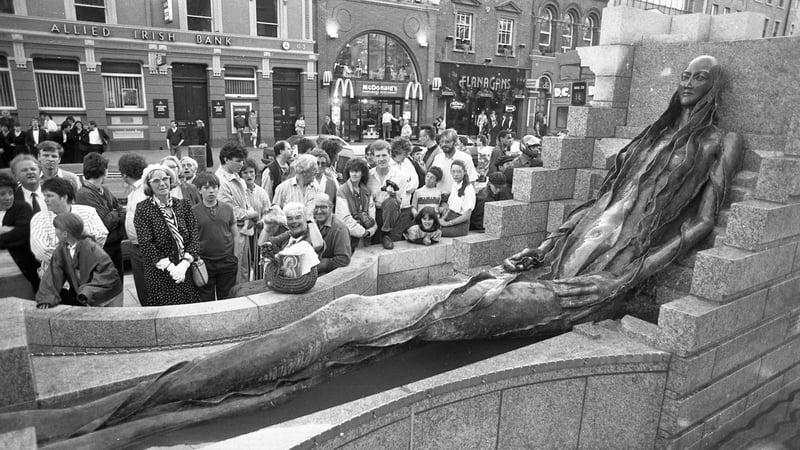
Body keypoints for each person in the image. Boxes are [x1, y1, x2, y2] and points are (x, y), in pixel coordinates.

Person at [14, 55, 747, 446]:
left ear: (712, 91)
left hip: (581, 290)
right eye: (683, 75)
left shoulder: (718, 143)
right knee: (346, 330)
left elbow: (702, 225)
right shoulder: (650, 140)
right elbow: (595, 206)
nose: (685, 85)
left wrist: (627, 281)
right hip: (551, 265)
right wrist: (544, 249)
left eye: (699, 78)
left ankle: (132, 417)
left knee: (348, 327)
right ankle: (118, 412)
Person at [133, 163, 201, 306]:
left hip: (185, 272)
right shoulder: (143, 209)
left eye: (165, 178)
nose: (162, 183)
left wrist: (183, 265)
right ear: (148, 185)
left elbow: (194, 236)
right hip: (160, 274)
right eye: (156, 181)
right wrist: (171, 268)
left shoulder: (184, 205)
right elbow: (146, 244)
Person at [35, 213, 123, 309]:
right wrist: (47, 298)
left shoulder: (92, 248)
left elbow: (107, 273)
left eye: (56, 229)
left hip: (109, 296)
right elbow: (53, 274)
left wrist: (88, 291)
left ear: (65, 233)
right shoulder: (61, 250)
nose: (55, 232)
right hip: (89, 297)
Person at [30, 177, 108, 278]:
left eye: (49, 196)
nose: (45, 200)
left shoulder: (88, 212)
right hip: (55, 278)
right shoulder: (39, 218)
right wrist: (79, 252)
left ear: (64, 197)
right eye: (44, 196)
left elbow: (101, 235)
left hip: (86, 275)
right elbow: (41, 250)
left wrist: (64, 250)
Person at [75, 152, 126, 283]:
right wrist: (116, 212)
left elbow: (120, 210)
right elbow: (107, 221)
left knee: (118, 281)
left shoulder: (104, 189)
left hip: (115, 244)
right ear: (104, 171)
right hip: (102, 247)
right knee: (106, 283)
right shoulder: (84, 194)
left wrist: (115, 211)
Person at [192, 172, 240, 301]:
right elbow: (192, 238)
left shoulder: (228, 209)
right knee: (206, 298)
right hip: (205, 262)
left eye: (214, 187)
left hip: (226, 261)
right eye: (206, 188)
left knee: (227, 297)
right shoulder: (193, 212)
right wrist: (196, 259)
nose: (211, 191)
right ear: (199, 190)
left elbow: (235, 234)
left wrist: (234, 257)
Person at [215, 142, 258, 283]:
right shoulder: (221, 181)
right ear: (226, 159)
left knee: (244, 269)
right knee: (235, 271)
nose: (242, 164)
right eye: (238, 160)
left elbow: (244, 203)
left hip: (243, 230)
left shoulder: (236, 177)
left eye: (242, 160)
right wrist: (249, 214)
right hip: (232, 232)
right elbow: (227, 210)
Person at [366, 140, 410, 250]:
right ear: (373, 157)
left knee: (391, 202)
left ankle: (386, 233)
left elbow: (400, 203)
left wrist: (394, 195)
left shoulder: (400, 176)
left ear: (389, 155)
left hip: (391, 213)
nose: (381, 159)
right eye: (378, 156)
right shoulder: (368, 176)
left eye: (384, 155)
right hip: (373, 212)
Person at [0, 171, 39, 292]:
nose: (8, 197)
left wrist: (6, 232)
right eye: (2, 194)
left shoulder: (22, 208)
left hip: (20, 273)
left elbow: (22, 234)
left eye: (11, 193)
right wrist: (8, 231)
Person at [119, 153, 149, 305]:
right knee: (142, 289)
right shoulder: (134, 192)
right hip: (136, 246)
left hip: (145, 248)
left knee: (147, 290)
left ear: (124, 174)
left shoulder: (144, 191)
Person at [335, 157, 377, 252]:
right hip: (348, 238)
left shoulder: (366, 191)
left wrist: (372, 230)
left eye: (357, 171)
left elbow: (372, 214)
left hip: (366, 237)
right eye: (351, 171)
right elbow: (344, 218)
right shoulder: (342, 190)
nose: (354, 174)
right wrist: (363, 232)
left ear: (362, 173)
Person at [431, 129, 479, 197]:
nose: (444, 144)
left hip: (459, 200)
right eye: (442, 142)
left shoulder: (466, 159)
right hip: (440, 201)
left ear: (455, 142)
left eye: (447, 142)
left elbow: (471, 182)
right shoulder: (437, 158)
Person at [312, 193, 351, 274]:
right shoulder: (313, 224)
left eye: (323, 207)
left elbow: (343, 259)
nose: (319, 211)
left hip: (326, 273)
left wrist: (319, 265)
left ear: (331, 208)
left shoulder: (340, 229)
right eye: (316, 207)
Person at [439, 159, 475, 237]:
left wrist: (448, 223)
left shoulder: (468, 189)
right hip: (450, 218)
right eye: (453, 171)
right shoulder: (454, 185)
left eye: (459, 172)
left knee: (436, 232)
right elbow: (451, 208)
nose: (455, 174)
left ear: (464, 172)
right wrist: (443, 219)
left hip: (460, 225)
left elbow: (466, 215)